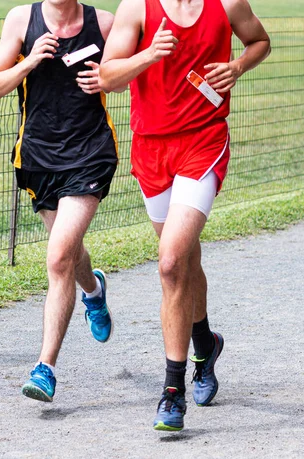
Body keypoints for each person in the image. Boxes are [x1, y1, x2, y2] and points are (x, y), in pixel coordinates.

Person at [99, 0, 270, 430]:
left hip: (203, 142)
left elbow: (260, 42)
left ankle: (172, 392)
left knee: (171, 262)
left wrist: (238, 66)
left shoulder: (227, 3)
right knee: (186, 260)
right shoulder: (137, 8)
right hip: (151, 149)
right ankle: (205, 343)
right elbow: (107, 77)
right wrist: (148, 54)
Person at [0, 0, 122, 402]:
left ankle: (45, 367)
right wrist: (29, 61)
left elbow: (128, 77)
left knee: (58, 254)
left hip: (90, 151)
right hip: (39, 156)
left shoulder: (105, 23)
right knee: (68, 252)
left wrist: (107, 78)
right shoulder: (20, 19)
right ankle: (93, 291)